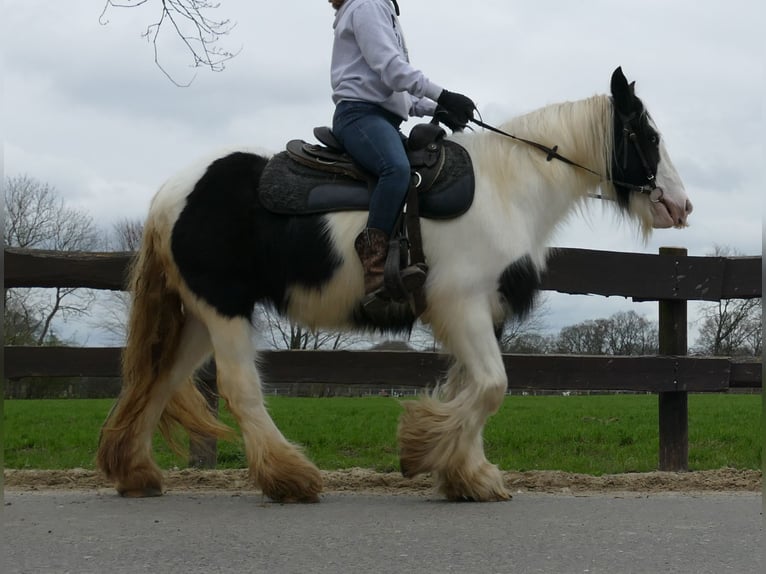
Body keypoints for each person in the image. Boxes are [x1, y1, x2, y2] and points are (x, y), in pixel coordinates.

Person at [328, 0, 476, 300]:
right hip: (360, 116)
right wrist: (444, 95)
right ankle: (374, 268)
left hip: (380, 117)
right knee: (395, 171)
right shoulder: (366, 5)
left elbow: (398, 94)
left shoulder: (378, 7)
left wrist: (437, 108)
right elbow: (394, 72)